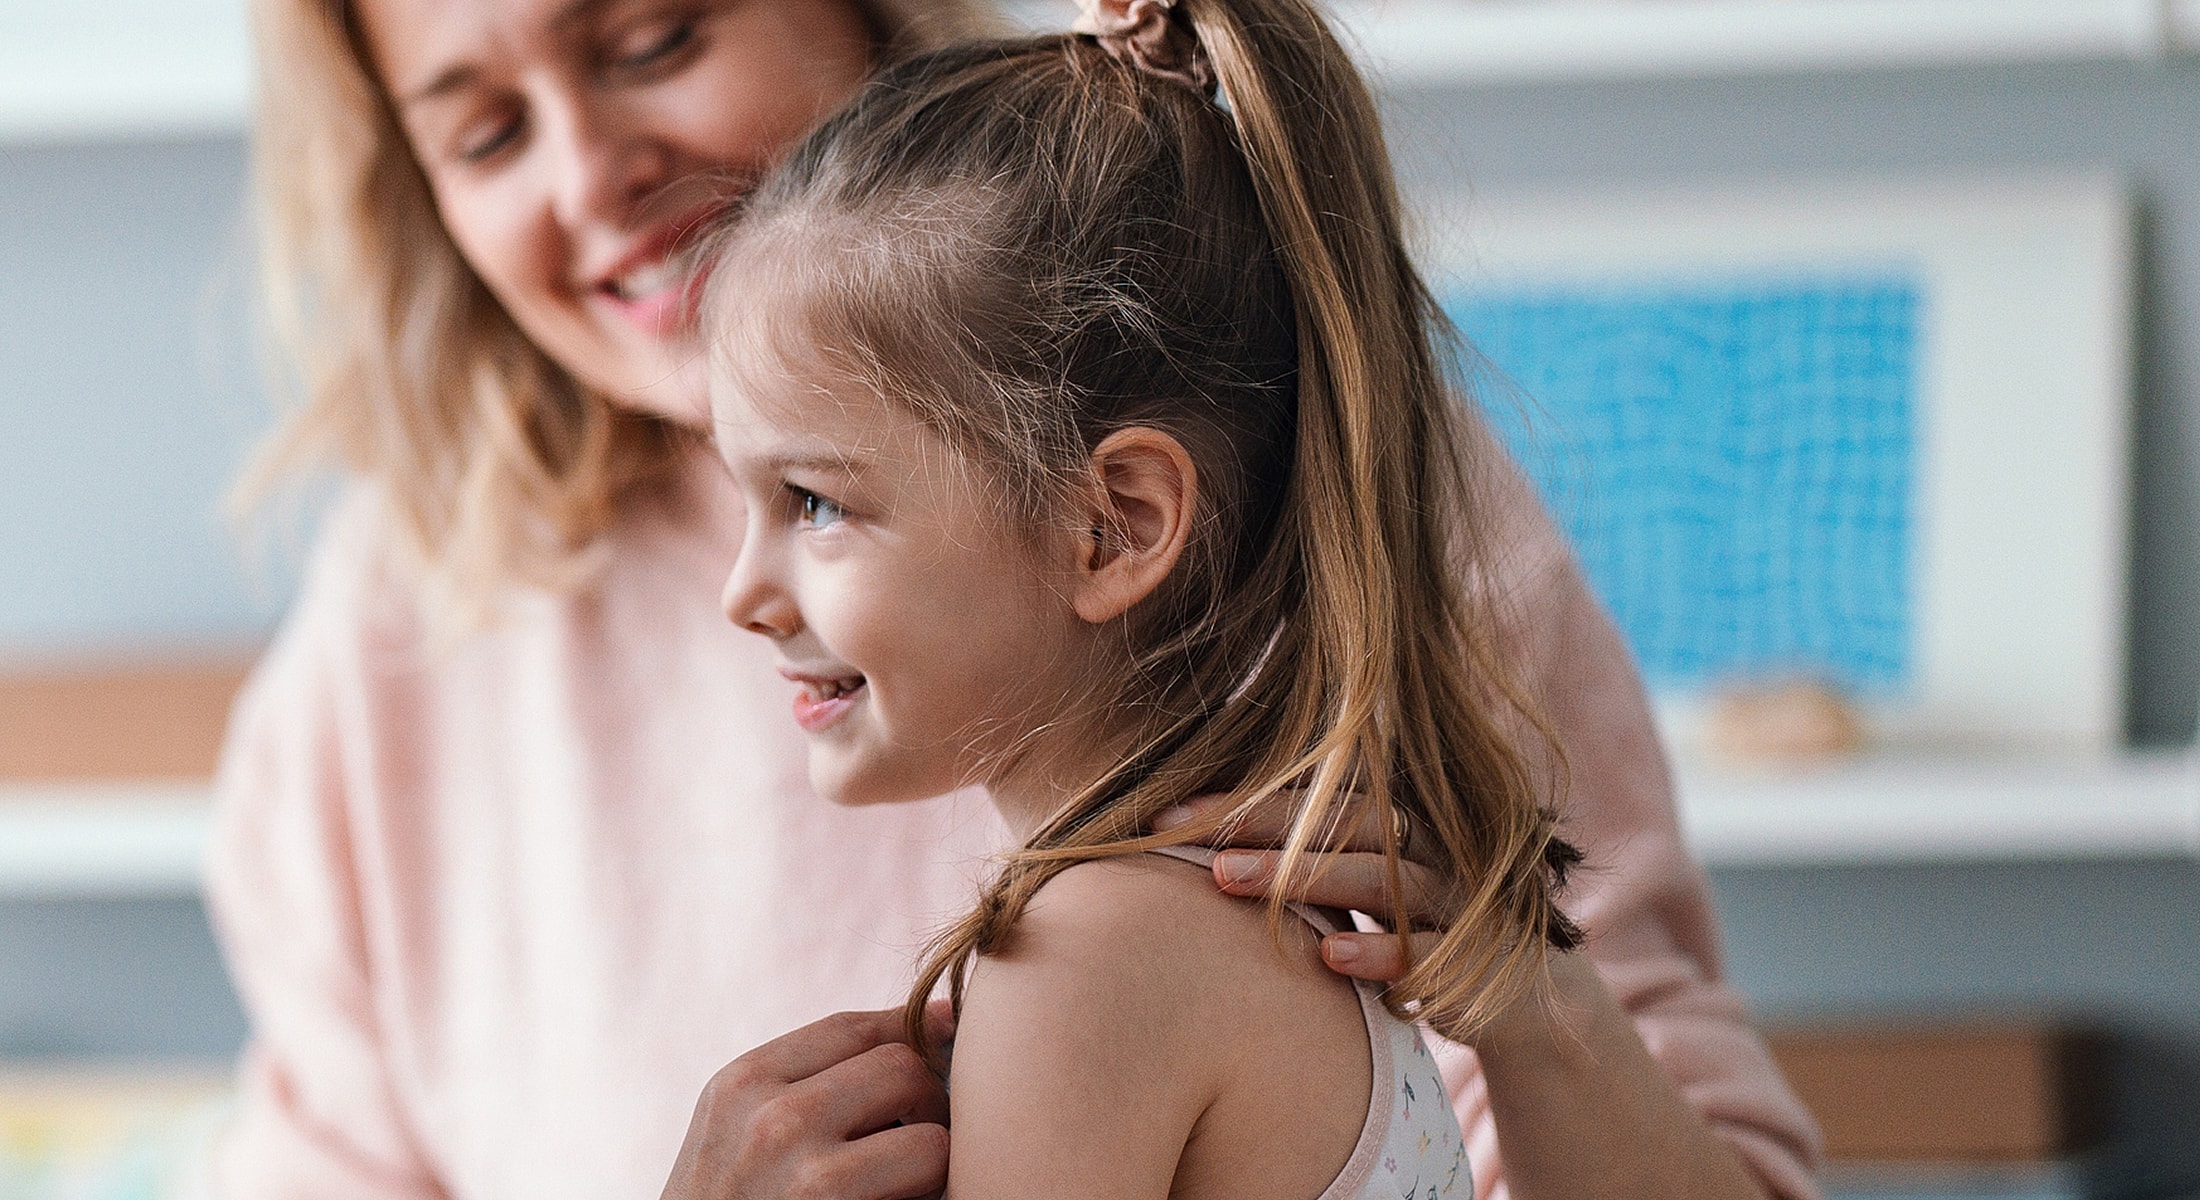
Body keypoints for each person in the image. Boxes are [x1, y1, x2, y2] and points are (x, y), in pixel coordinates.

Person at [205, 0, 1822, 1195]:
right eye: (483, 130)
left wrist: (1542, 1006)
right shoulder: (390, 640)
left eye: (652, 38)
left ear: (1122, 525)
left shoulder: (1337, 498)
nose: (587, 175)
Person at [699, 3, 1593, 1192]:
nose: (741, 594)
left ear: (1110, 525)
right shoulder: (1262, 921)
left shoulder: (1081, 964)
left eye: (814, 502)